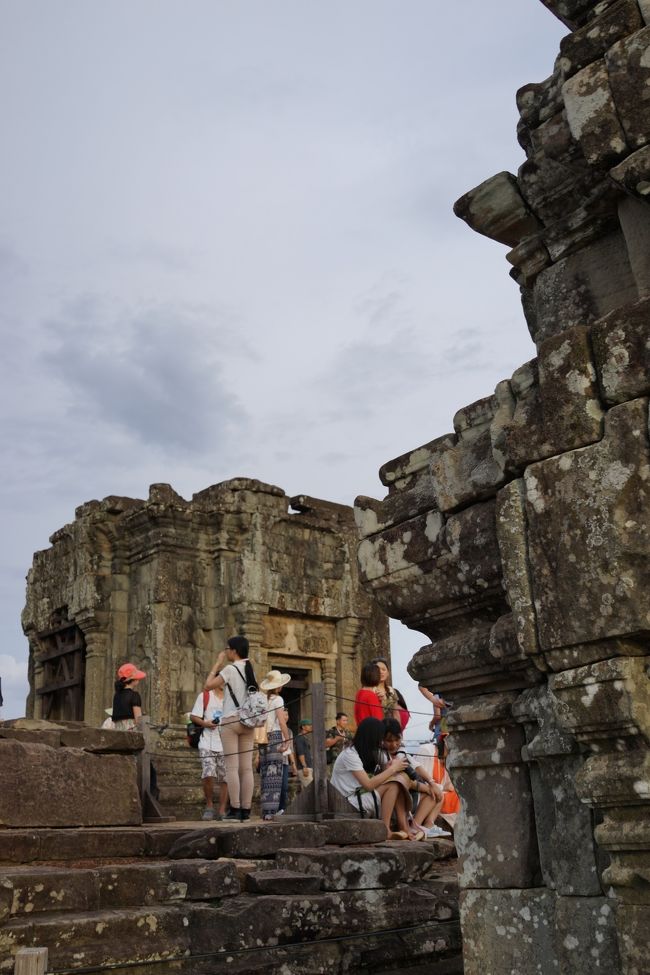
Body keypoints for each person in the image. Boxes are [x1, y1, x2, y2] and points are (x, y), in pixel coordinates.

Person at [331, 717, 418, 840]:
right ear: (372, 737)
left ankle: (402, 826)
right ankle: (386, 829)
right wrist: (392, 769)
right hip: (346, 805)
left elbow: (371, 781)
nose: (381, 742)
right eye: (380, 737)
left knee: (395, 781)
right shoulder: (349, 754)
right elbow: (368, 785)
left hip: (357, 797)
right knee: (393, 784)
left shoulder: (363, 751)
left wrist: (386, 769)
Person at [204, 635, 259, 822]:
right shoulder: (250, 668)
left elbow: (208, 686)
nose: (226, 652)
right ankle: (246, 810)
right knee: (247, 769)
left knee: (232, 768)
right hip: (248, 721)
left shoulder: (230, 668)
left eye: (227, 649)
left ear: (234, 651)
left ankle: (235, 810)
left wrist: (217, 664)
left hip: (230, 719)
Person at [381, 718, 451, 839]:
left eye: (396, 740)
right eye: (388, 741)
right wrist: (426, 788)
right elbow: (403, 781)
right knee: (399, 783)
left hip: (410, 796)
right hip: (390, 800)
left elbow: (417, 767)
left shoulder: (401, 752)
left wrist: (431, 783)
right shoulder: (381, 755)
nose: (393, 744)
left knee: (436, 793)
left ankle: (418, 825)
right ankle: (405, 827)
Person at [190, 685, 228, 821]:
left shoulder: (231, 698)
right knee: (208, 772)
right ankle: (209, 805)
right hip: (207, 741)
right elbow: (194, 716)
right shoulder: (205, 696)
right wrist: (206, 723)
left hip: (226, 742)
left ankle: (222, 809)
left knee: (225, 777)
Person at [258, 670, 291, 820]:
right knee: (275, 776)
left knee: (265, 775)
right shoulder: (278, 700)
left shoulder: (263, 699)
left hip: (263, 738)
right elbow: (281, 720)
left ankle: (266, 811)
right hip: (275, 736)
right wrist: (287, 738)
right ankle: (272, 812)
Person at [372, 657, 410, 729]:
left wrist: (398, 731)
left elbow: (396, 713)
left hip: (390, 729)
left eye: (384, 669)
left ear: (388, 673)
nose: (381, 672)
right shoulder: (371, 690)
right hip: (376, 728)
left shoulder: (391, 691)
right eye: (377, 670)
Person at [111, 662, 146, 730]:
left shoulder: (116, 696)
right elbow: (138, 721)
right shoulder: (134, 695)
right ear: (132, 680)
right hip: (131, 734)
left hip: (117, 733)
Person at [278, 708, 297, 815]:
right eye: (284, 715)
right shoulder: (274, 729)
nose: (286, 717)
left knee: (284, 787)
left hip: (285, 762)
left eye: (287, 715)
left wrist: (293, 765)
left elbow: (291, 750)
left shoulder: (289, 731)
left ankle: (282, 808)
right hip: (275, 761)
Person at [294, 718, 313, 789]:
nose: (311, 726)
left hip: (308, 767)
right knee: (311, 789)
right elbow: (300, 753)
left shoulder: (305, 738)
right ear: (303, 727)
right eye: (309, 725)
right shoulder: (300, 738)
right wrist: (304, 766)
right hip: (304, 768)